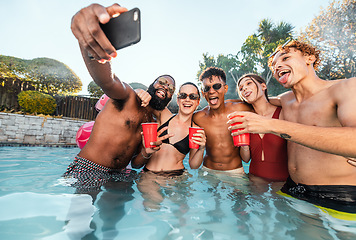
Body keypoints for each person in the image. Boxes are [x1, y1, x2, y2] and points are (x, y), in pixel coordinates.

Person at [228, 40, 356, 212]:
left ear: (309, 58)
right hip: (293, 189)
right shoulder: (285, 100)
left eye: (286, 58)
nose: (278, 66)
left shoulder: (344, 87)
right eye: (274, 66)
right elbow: (257, 101)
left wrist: (273, 125)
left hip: (339, 194)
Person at [63, 3, 174, 193]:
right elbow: (107, 81)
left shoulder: (151, 121)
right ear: (151, 84)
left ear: (169, 98)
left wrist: (146, 152)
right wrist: (91, 46)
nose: (165, 87)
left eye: (170, 88)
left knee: (114, 219)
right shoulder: (128, 95)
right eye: (162, 81)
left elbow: (136, 163)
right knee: (79, 220)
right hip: (90, 167)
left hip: (121, 173)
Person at [133, 82, 206, 210]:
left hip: (176, 177)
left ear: (198, 102)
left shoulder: (196, 130)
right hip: (150, 174)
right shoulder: (164, 115)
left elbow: (194, 165)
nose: (187, 99)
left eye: (192, 97)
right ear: (178, 100)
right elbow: (147, 98)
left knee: (182, 213)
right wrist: (138, 90)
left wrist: (201, 148)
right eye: (183, 95)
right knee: (153, 205)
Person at [193, 67, 252, 175]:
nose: (211, 91)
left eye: (216, 86)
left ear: (225, 88)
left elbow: (262, 105)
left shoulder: (240, 108)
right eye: (207, 88)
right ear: (203, 93)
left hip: (235, 171)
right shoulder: (198, 117)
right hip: (208, 171)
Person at [236, 74, 289, 183]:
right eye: (241, 88)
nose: (244, 88)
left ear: (263, 86)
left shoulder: (283, 112)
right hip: (255, 180)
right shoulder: (245, 119)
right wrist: (243, 143)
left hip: (282, 181)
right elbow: (246, 159)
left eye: (248, 83)